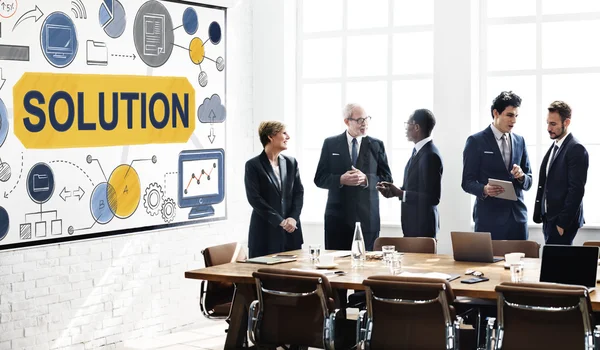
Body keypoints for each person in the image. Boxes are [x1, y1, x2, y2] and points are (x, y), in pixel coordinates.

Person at [314, 103, 393, 252]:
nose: (364, 124)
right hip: (337, 219)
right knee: (337, 269)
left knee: (368, 267)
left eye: (366, 119)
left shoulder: (376, 145)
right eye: (359, 120)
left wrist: (366, 179)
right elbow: (319, 178)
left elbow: (387, 178)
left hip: (368, 219)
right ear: (346, 121)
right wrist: (340, 180)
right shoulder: (330, 144)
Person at [462, 91, 532, 240]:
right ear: (496, 113)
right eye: (510, 115)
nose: (514, 120)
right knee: (488, 264)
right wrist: (484, 189)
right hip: (489, 219)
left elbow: (529, 181)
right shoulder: (476, 141)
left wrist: (521, 177)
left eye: (516, 116)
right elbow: (466, 182)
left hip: (517, 219)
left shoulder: (520, 141)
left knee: (520, 263)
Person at [377, 109, 443, 238]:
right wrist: (394, 192)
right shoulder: (418, 151)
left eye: (407, 123)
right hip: (413, 226)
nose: (406, 128)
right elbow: (416, 188)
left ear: (416, 127)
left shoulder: (430, 155)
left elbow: (433, 198)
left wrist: (401, 193)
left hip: (423, 229)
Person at [244, 121, 304, 258]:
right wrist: (280, 221)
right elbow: (255, 199)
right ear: (270, 136)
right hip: (264, 235)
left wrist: (293, 218)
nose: (288, 137)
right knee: (264, 277)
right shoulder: (253, 165)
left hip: (291, 233)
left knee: (293, 276)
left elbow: (298, 193)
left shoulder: (291, 163)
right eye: (284, 133)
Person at [533, 101, 589, 245]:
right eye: (547, 123)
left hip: (562, 222)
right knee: (552, 264)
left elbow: (576, 190)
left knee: (558, 265)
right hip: (549, 219)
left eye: (553, 124)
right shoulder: (555, 145)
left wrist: (562, 223)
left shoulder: (576, 148)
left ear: (567, 122)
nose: (548, 128)